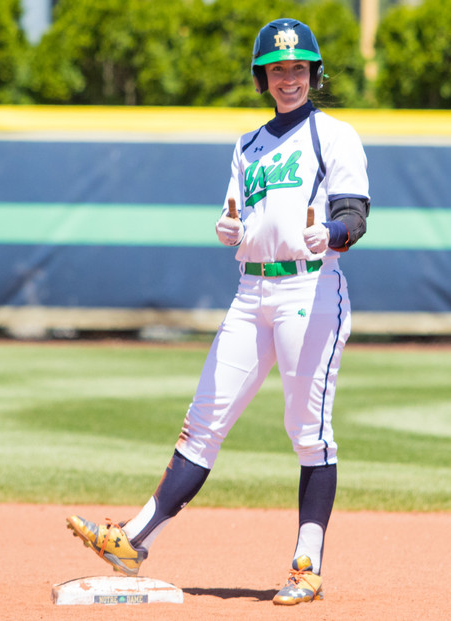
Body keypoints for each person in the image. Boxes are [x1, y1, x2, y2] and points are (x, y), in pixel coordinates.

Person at [66, 17, 370, 607]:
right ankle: (131, 540)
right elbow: (240, 212)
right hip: (249, 294)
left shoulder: (332, 135)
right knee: (202, 423)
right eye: (278, 69)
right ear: (262, 76)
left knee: (309, 434)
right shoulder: (248, 145)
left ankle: (307, 565)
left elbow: (354, 217)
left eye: (299, 68)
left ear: (314, 73)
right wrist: (232, 228)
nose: (289, 78)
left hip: (309, 293)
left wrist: (330, 233)